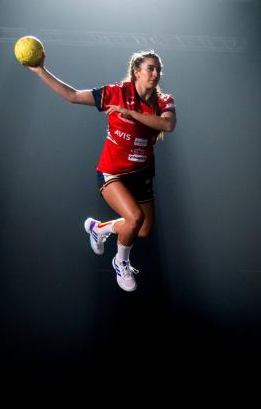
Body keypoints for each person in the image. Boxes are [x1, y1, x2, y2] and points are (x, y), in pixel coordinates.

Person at [25, 49, 176, 292]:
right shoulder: (116, 93)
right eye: (150, 68)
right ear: (136, 71)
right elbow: (73, 95)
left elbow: (168, 125)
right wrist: (40, 70)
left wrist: (130, 114)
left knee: (144, 230)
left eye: (158, 69)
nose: (156, 74)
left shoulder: (163, 100)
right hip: (112, 173)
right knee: (134, 218)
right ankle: (120, 262)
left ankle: (100, 228)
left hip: (142, 175)